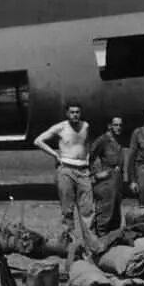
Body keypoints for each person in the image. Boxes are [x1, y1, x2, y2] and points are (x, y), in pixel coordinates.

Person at [34, 102, 93, 249]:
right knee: (67, 210)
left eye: (77, 112)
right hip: (66, 169)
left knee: (88, 210)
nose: (75, 115)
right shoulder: (61, 127)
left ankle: (90, 245)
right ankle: (70, 246)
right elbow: (38, 141)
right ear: (67, 114)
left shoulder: (86, 126)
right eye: (72, 112)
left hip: (83, 171)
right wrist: (54, 154)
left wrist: (88, 159)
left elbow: (88, 144)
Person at [87, 115, 127, 236]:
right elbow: (90, 157)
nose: (118, 127)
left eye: (120, 125)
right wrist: (96, 173)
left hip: (117, 181)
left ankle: (112, 247)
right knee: (105, 214)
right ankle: (98, 243)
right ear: (109, 126)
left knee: (116, 216)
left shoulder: (119, 140)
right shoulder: (103, 140)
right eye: (116, 125)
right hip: (106, 182)